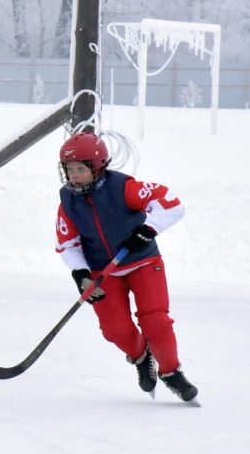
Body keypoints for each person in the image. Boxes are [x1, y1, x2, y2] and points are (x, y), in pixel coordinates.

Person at [53, 132, 198, 402]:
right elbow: (68, 244)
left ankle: (170, 373)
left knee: (156, 321)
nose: (74, 175)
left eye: (80, 169)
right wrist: (81, 275)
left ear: (97, 166)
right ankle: (143, 356)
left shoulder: (124, 189)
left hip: (143, 262)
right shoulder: (68, 203)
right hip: (102, 270)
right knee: (114, 329)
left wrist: (148, 229)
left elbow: (172, 205)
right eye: (69, 169)